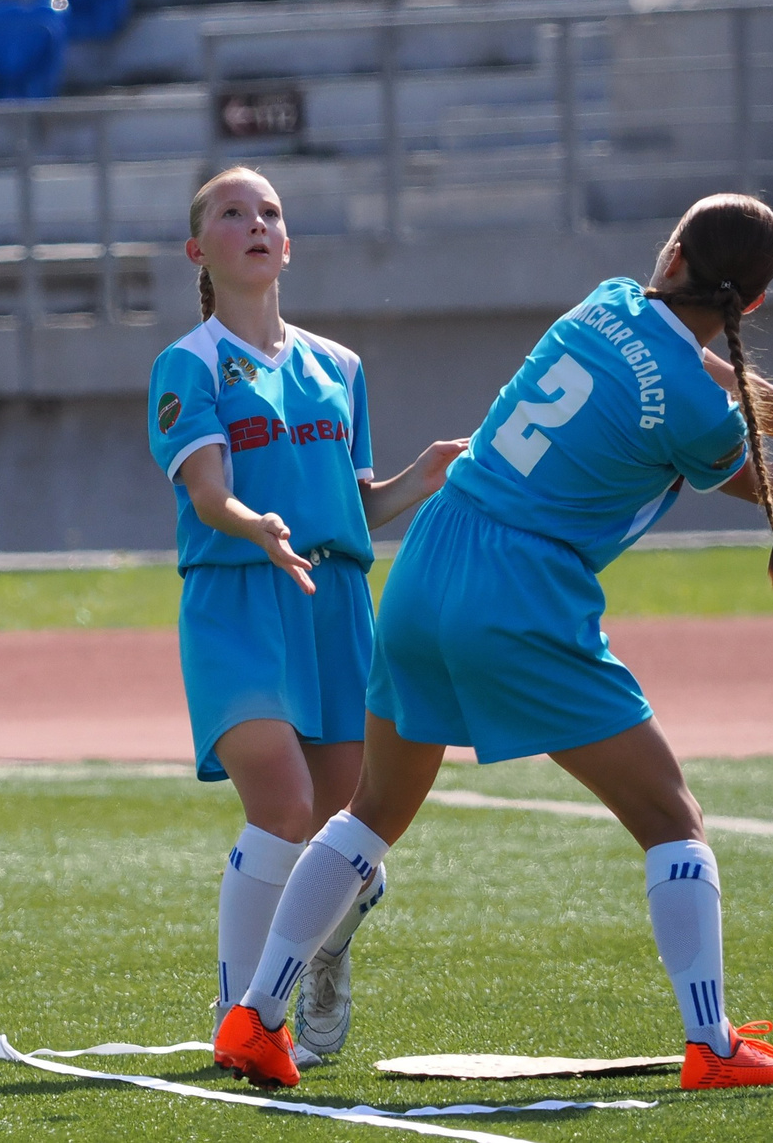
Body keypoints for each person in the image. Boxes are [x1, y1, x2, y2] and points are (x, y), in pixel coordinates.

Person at [209, 192, 773, 1091]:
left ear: (674, 255)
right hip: (522, 589)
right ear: (754, 304)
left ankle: (256, 1017)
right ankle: (711, 1041)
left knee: (371, 812)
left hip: (432, 558)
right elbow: (730, 451)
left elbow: (717, 382)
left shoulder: (608, 300)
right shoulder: (695, 398)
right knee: (670, 817)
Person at [148, 167, 467, 1076]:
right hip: (240, 598)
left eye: (270, 213)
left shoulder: (341, 367)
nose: (255, 223)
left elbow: (359, 507)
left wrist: (424, 476)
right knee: (285, 809)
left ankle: (324, 953)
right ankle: (242, 1010)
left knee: (345, 839)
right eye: (231, 212)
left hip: (338, 609)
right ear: (198, 248)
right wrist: (260, 526)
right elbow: (210, 495)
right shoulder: (190, 363)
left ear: (287, 245)